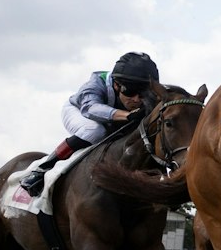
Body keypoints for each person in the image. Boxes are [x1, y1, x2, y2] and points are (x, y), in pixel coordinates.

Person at [20, 52, 161, 195]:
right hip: (79, 112)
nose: (137, 99)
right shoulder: (96, 83)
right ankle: (43, 168)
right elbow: (89, 108)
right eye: (130, 92)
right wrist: (127, 115)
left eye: (143, 94)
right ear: (117, 85)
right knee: (95, 130)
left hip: (115, 119)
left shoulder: (145, 93)